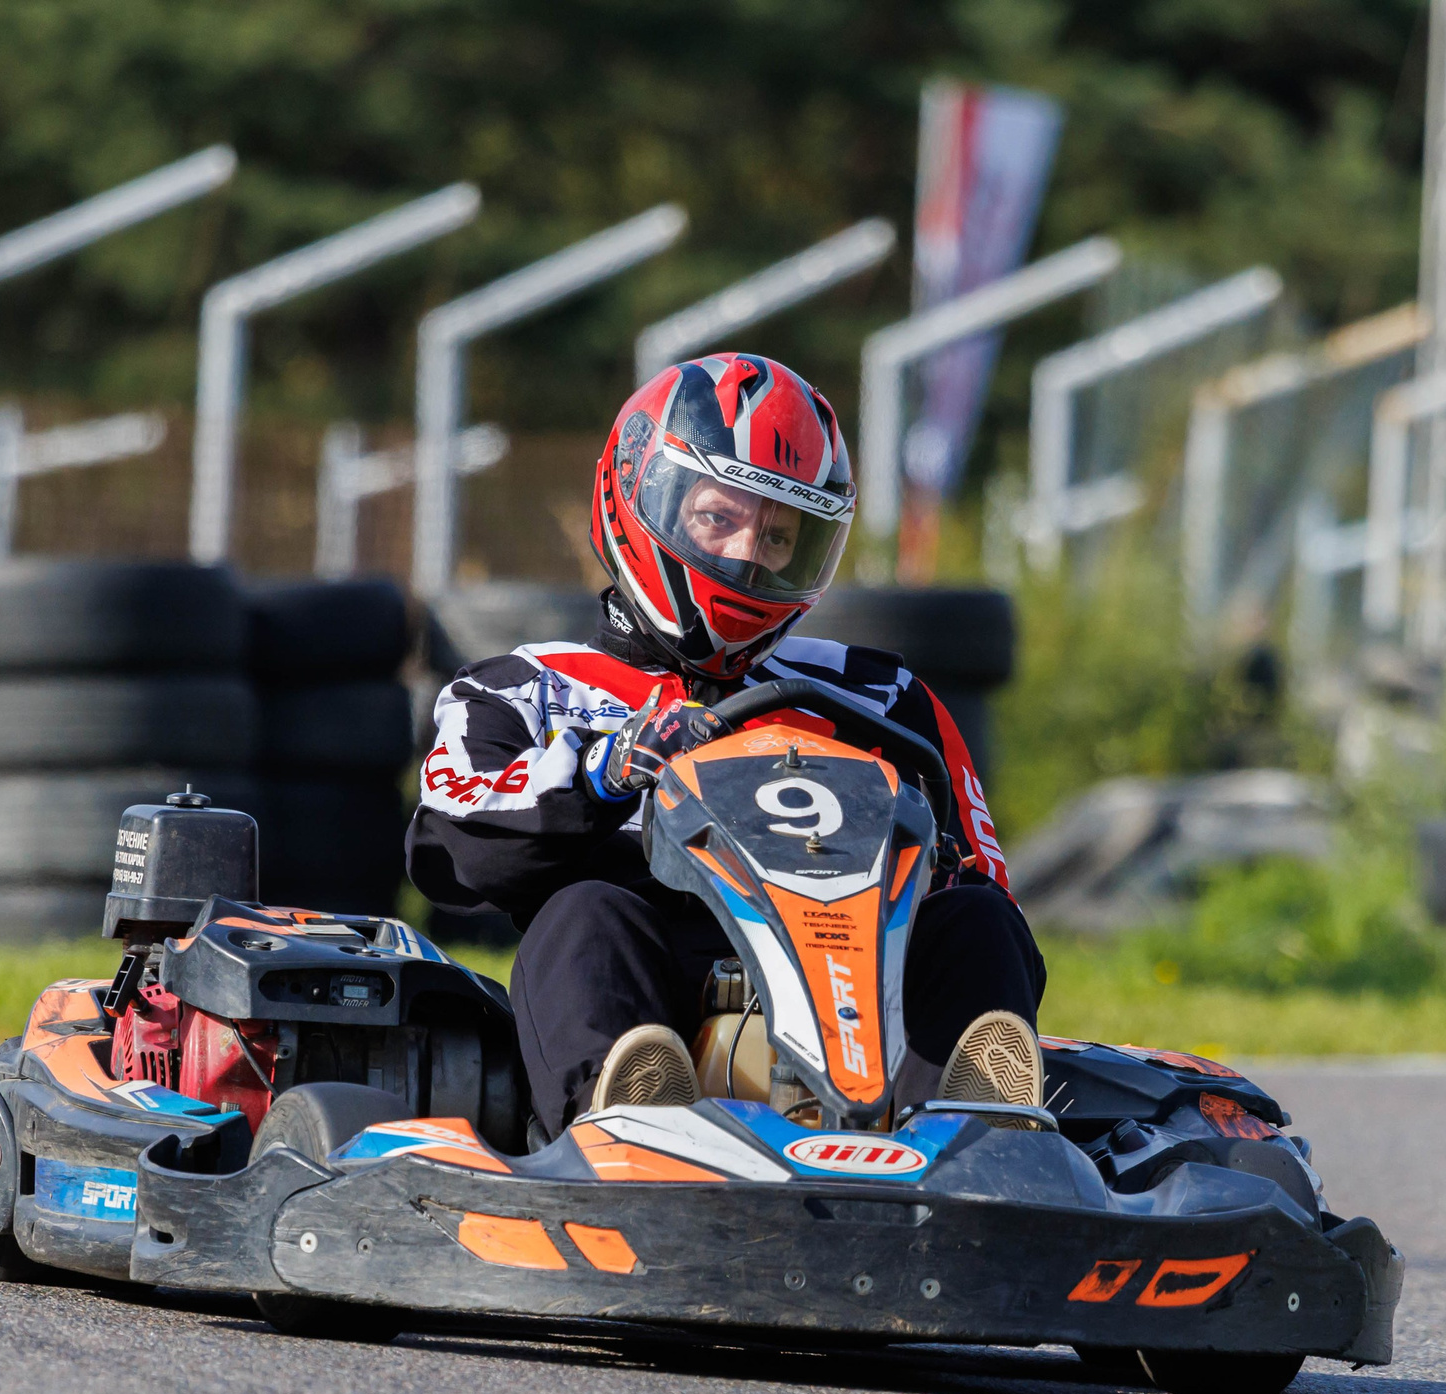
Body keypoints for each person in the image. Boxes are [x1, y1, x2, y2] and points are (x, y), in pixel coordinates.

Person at [408, 352, 1048, 1143]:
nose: (749, 554)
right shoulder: (524, 687)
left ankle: (973, 1128)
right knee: (585, 913)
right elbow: (455, 845)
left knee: (979, 920)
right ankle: (633, 1119)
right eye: (721, 517)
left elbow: (983, 873)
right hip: (655, 986)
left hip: (858, 996)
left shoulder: (882, 698)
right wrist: (606, 774)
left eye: (780, 536)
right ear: (639, 494)